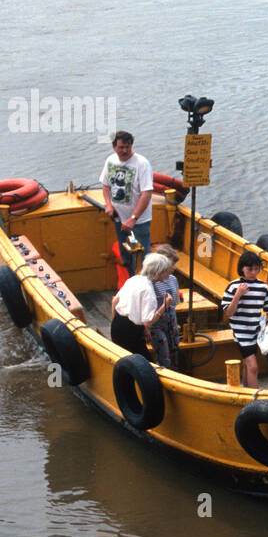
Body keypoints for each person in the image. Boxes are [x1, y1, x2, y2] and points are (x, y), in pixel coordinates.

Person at [99, 131, 153, 274]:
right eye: (121, 147)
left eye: (128, 147)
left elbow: (147, 193)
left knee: (142, 259)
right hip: (119, 219)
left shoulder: (142, 164)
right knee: (126, 256)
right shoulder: (110, 160)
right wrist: (109, 205)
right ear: (114, 147)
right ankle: (132, 285)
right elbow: (105, 186)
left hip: (138, 223)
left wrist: (133, 219)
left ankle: (145, 289)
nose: (125, 150)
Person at [221, 252, 268, 389]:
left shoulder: (263, 287)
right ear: (242, 268)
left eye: (256, 269)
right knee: (253, 366)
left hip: (255, 331)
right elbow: (228, 312)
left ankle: (246, 389)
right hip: (240, 332)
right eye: (249, 269)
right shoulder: (233, 286)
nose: (253, 272)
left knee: (247, 363)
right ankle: (254, 398)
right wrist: (238, 295)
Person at [110, 253, 173, 357]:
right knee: (143, 364)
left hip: (117, 324)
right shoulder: (148, 291)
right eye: (166, 271)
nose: (168, 274)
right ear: (158, 274)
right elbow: (148, 321)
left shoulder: (134, 279)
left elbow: (115, 301)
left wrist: (115, 320)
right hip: (130, 332)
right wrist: (165, 305)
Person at [148, 244, 181, 369]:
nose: (174, 268)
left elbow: (175, 302)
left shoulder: (173, 279)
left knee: (175, 348)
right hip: (157, 323)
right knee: (163, 353)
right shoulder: (152, 282)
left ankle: (176, 371)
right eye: (171, 264)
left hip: (171, 320)